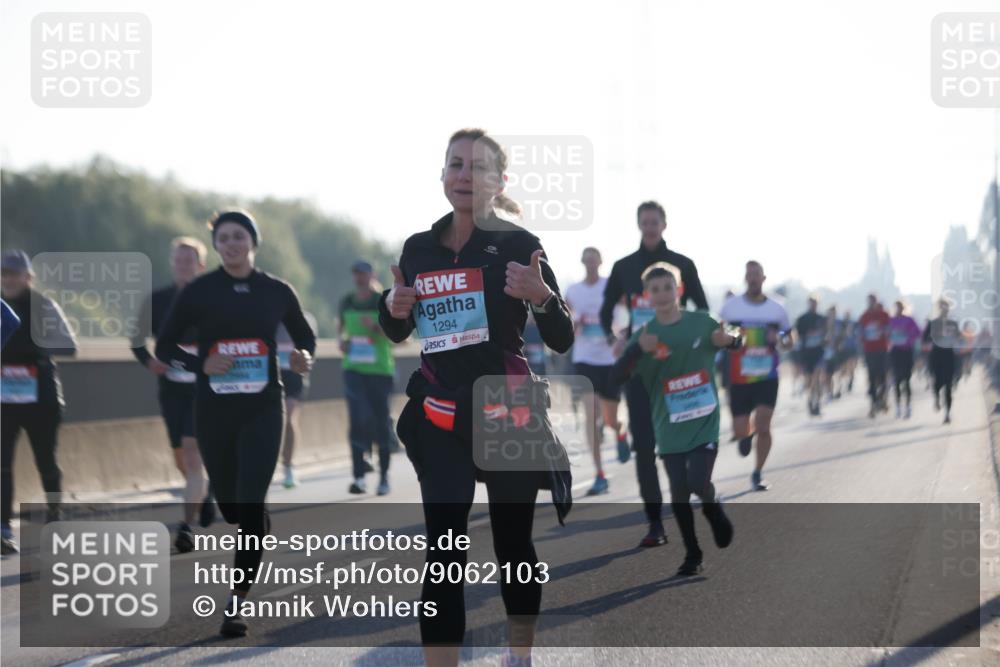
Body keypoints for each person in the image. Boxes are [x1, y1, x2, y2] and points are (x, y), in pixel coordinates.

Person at [379, 128, 574, 667]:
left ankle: (519, 655)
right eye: (456, 164)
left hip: (504, 411)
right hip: (439, 409)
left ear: (498, 181)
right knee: (444, 551)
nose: (465, 175)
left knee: (513, 547)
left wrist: (543, 297)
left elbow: (561, 337)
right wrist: (392, 305)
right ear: (443, 175)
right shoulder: (418, 248)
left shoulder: (518, 245)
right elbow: (397, 329)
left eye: (479, 167)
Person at [155, 210, 316, 637]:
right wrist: (201, 362)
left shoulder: (276, 290)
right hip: (214, 410)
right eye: (223, 237)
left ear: (253, 241)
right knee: (231, 506)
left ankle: (235, 603)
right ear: (217, 244)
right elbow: (166, 345)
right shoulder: (199, 292)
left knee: (247, 506)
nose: (231, 243)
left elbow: (305, 337)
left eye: (239, 236)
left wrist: (303, 357)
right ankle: (251, 516)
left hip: (264, 407)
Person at [610, 263, 736, 575]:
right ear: (645, 297)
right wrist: (636, 351)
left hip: (704, 420)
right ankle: (692, 553)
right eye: (655, 290)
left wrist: (730, 340)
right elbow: (616, 377)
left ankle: (711, 505)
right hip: (668, 426)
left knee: (697, 480)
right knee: (678, 492)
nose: (663, 294)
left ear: (679, 290)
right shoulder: (644, 335)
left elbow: (735, 335)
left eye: (668, 287)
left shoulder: (702, 322)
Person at [601, 200, 709, 548]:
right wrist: (615, 338)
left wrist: (692, 344)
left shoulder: (683, 265)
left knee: (681, 446)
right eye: (644, 221)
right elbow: (606, 311)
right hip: (641, 368)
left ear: (664, 224)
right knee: (644, 447)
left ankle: (698, 490)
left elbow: (703, 310)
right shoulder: (624, 267)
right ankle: (654, 523)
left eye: (655, 221)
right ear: (638, 225)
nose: (649, 227)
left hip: (677, 370)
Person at [131, 237, 215, 552]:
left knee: (193, 455)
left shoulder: (211, 299)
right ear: (172, 263)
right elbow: (137, 340)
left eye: (189, 261)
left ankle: (186, 527)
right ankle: (203, 493)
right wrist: (149, 361)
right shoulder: (158, 300)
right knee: (180, 457)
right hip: (171, 389)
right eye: (178, 260)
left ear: (200, 266)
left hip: (203, 388)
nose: (182, 265)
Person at [1, 249, 77, 555]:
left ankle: (55, 513)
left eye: (14, 273)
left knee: (45, 460)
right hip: (5, 397)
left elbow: (70, 346)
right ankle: (4, 528)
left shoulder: (44, 305)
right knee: (1, 463)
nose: (8, 279)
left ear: (29, 277)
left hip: (41, 395)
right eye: (3, 273)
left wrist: (31, 348)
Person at [719, 261, 792, 492]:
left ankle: (758, 472)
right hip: (739, 377)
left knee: (764, 424)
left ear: (763, 278)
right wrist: (734, 336)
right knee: (741, 429)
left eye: (756, 274)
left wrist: (779, 338)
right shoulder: (731, 307)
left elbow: (788, 338)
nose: (752, 278)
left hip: (767, 376)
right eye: (749, 275)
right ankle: (744, 436)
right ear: (745, 279)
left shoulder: (777, 308)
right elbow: (719, 333)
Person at [564, 247, 630, 496]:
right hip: (584, 359)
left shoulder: (610, 286)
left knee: (610, 419)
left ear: (601, 262)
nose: (591, 263)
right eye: (587, 260)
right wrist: (574, 325)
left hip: (609, 359)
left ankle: (620, 432)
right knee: (591, 415)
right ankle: (600, 474)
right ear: (582, 262)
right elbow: (564, 322)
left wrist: (625, 333)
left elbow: (631, 309)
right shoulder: (573, 291)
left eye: (595, 259)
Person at [340, 260, 395, 496]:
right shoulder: (347, 302)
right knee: (357, 420)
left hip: (380, 371)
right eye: (356, 274)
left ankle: (383, 478)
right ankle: (359, 477)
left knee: (380, 423)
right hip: (353, 368)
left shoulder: (383, 301)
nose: (359, 278)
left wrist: (375, 327)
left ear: (372, 274)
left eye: (363, 273)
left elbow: (398, 337)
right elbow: (341, 333)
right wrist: (343, 343)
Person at [276, 311, 318, 489]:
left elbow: (310, 348)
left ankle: (288, 466)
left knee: (289, 417)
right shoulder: (268, 315)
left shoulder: (305, 319)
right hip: (272, 372)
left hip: (295, 374)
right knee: (277, 418)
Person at [923, 299, 959, 424]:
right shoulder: (933, 323)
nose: (944, 309)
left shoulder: (953, 323)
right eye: (942, 307)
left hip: (949, 356)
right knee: (937, 383)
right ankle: (937, 398)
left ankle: (947, 413)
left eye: (946, 307)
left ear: (948, 309)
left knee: (948, 386)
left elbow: (958, 338)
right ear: (939, 308)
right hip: (936, 356)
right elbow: (924, 338)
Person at [859, 294, 891, 418]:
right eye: (869, 301)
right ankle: (873, 404)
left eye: (873, 301)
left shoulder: (884, 315)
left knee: (883, 377)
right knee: (871, 377)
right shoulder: (864, 316)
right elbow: (861, 333)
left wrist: (882, 331)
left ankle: (883, 398)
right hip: (869, 350)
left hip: (882, 349)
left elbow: (889, 331)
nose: (871, 304)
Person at [887, 300, 921, 419]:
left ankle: (908, 406)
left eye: (900, 307)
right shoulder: (891, 321)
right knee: (896, 380)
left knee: (906, 381)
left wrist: (908, 335)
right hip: (895, 352)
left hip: (907, 352)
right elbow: (886, 334)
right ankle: (898, 407)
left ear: (903, 308)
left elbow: (918, 333)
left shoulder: (909, 320)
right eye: (897, 307)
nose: (899, 309)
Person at [794, 296, 826, 416]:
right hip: (806, 353)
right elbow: (796, 334)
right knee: (809, 380)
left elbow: (827, 333)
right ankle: (810, 399)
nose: (813, 305)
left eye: (815, 303)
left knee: (817, 377)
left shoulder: (822, 318)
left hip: (819, 352)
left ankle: (817, 403)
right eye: (811, 303)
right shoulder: (802, 319)